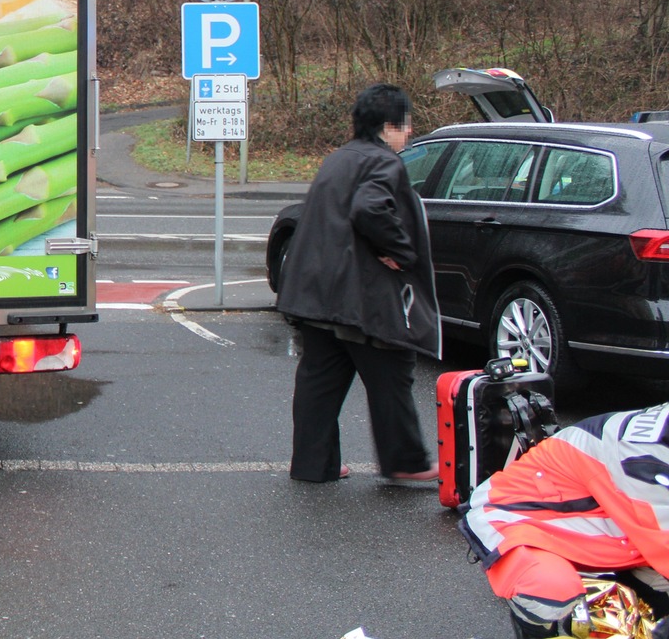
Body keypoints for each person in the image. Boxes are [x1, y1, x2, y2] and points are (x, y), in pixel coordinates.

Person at [275, 83, 441, 483]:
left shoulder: (337, 159)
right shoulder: (385, 162)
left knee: (320, 379)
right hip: (360, 298)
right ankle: (406, 461)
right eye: (406, 125)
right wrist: (401, 252)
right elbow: (370, 208)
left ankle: (314, 464)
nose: (409, 133)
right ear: (388, 127)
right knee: (392, 371)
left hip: (314, 293)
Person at [460, 404, 669, 638]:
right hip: (521, 514)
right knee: (549, 592)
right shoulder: (644, 461)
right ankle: (538, 627)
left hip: (605, 520)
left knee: (658, 588)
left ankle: (605, 611)